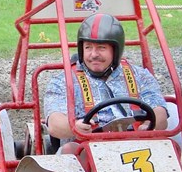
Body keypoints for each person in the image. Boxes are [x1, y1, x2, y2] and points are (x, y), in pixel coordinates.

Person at [44, 13, 168, 142]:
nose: (93, 54)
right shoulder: (63, 81)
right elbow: (54, 123)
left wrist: (149, 125)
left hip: (137, 144)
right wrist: (75, 127)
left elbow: (159, 112)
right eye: (88, 47)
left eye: (101, 48)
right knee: (70, 149)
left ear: (115, 51)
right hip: (86, 147)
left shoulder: (140, 76)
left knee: (170, 146)